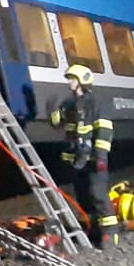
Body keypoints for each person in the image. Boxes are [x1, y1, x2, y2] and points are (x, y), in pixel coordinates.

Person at [50, 64, 115, 245]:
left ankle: (110, 234)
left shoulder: (95, 102)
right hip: (78, 159)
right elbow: (59, 124)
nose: (70, 82)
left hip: (93, 158)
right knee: (83, 196)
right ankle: (92, 230)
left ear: (82, 81)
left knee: (98, 195)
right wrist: (54, 112)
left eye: (73, 79)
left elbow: (104, 130)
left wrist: (101, 156)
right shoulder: (69, 103)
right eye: (69, 79)